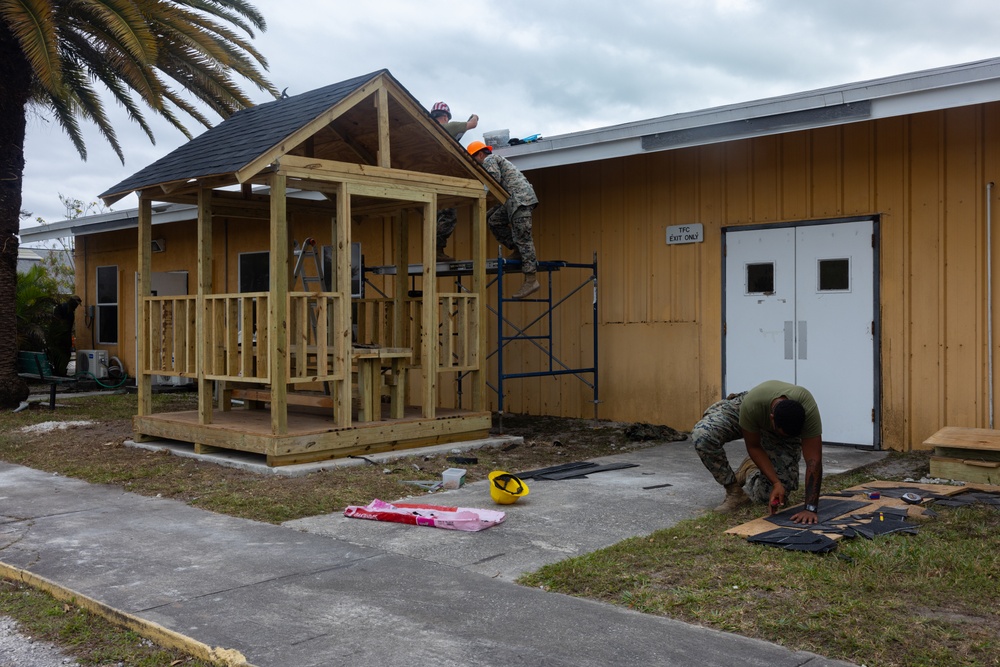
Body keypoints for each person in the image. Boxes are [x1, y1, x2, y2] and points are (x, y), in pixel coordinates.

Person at [690, 380, 823, 524]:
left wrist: (810, 508)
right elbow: (754, 446)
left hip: (778, 421)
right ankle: (735, 492)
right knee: (703, 436)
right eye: (785, 435)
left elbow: (814, 461)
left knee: (769, 495)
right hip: (743, 408)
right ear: (771, 419)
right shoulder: (752, 406)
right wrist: (775, 481)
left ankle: (751, 469)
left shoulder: (808, 410)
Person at [466, 140, 540, 299]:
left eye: (473, 160)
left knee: (523, 237)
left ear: (479, 154)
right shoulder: (494, 161)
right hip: (511, 201)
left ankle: (531, 279)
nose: (475, 165)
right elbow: (499, 188)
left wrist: (479, 196)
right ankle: (517, 250)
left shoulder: (489, 160)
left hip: (521, 200)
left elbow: (493, 179)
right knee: (494, 221)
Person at [431, 102, 479, 261]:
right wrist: (475, 116)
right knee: (448, 215)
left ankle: (434, 250)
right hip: (445, 178)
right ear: (445, 117)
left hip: (431, 179)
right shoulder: (448, 127)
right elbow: (472, 124)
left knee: (437, 216)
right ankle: (437, 251)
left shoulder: (428, 130)